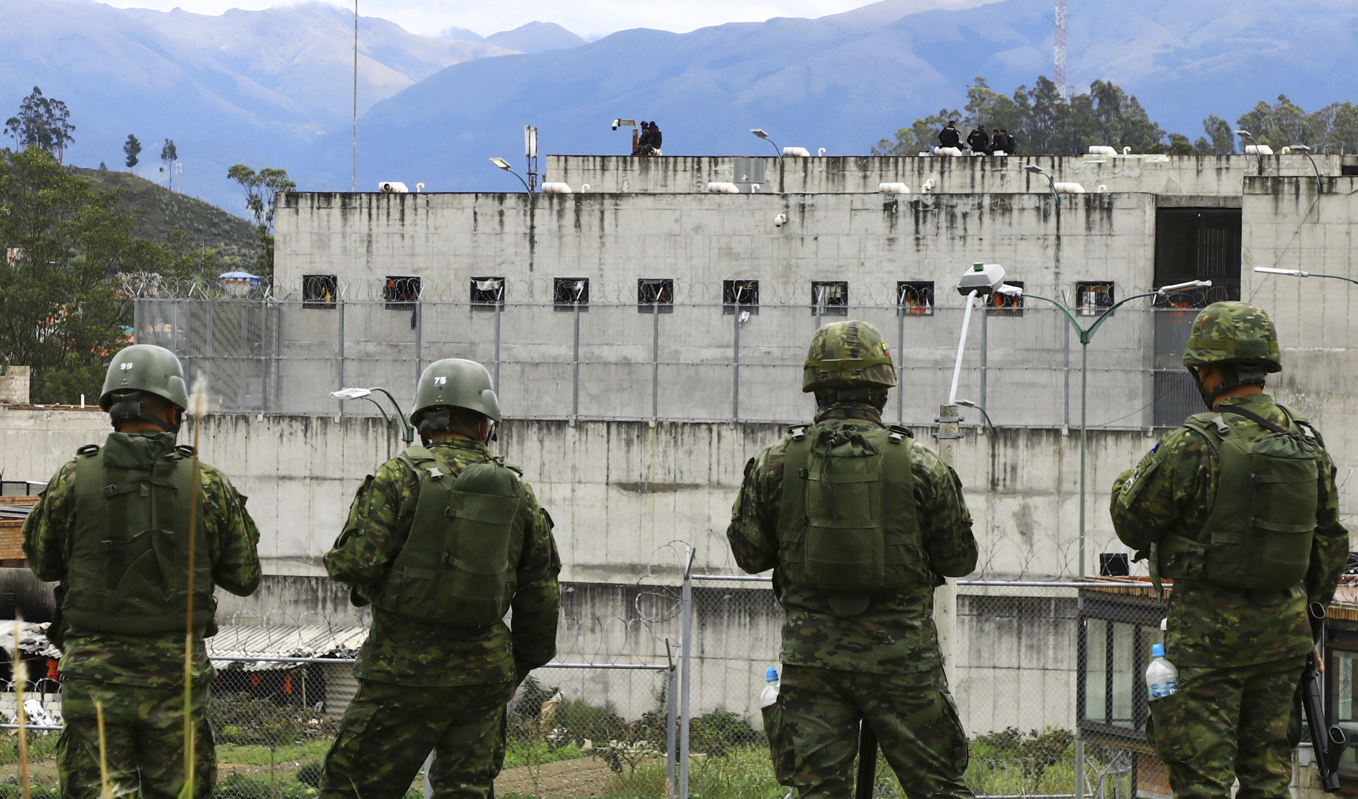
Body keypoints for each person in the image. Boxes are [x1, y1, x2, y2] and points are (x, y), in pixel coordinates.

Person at [727, 320, 979, 799]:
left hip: (812, 661)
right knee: (939, 789)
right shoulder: (922, 465)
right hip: (902, 659)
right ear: (881, 389)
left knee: (819, 792)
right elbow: (960, 559)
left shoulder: (776, 463)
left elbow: (749, 554)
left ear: (816, 389)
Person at [1110, 301, 1348, 799]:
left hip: (1207, 645)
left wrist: (1127, 479)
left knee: (1203, 782)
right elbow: (1330, 542)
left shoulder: (1194, 443)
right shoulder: (1305, 440)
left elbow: (1132, 522)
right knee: (1268, 780)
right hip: (1284, 640)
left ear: (1211, 370)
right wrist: (1309, 620)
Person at [23, 344, 262, 799]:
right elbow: (244, 577)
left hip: (93, 680)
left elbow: (42, 562)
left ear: (113, 409)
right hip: (176, 683)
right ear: (173, 412)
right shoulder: (206, 484)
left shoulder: (73, 478)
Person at [320, 358, 561, 799]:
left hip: (401, 672)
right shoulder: (517, 492)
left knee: (352, 789)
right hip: (483, 678)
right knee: (465, 791)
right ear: (486, 424)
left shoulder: (398, 477)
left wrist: (382, 585)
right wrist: (517, 668)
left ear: (422, 423)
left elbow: (350, 564)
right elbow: (541, 594)